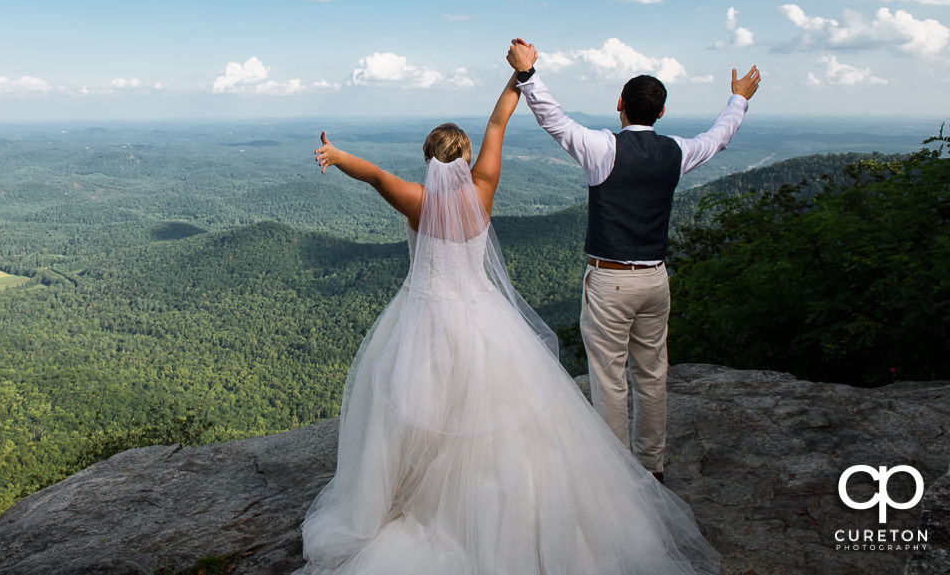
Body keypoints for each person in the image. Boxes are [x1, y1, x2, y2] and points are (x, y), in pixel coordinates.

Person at [297, 67, 720, 575]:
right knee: (493, 418)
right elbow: (497, 125)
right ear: (467, 159)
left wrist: (336, 155)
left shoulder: (419, 202)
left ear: (428, 161)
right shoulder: (483, 191)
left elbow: (372, 175)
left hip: (423, 320)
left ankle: (411, 500)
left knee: (414, 410)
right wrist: (517, 78)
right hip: (483, 321)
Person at [505, 38, 761, 482]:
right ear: (660, 113)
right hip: (656, 280)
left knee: (609, 381)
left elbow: (554, 120)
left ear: (619, 103)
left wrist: (528, 74)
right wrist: (738, 97)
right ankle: (651, 466)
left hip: (610, 280)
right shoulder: (676, 152)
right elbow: (718, 137)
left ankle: (616, 476)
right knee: (652, 374)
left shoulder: (603, 149)